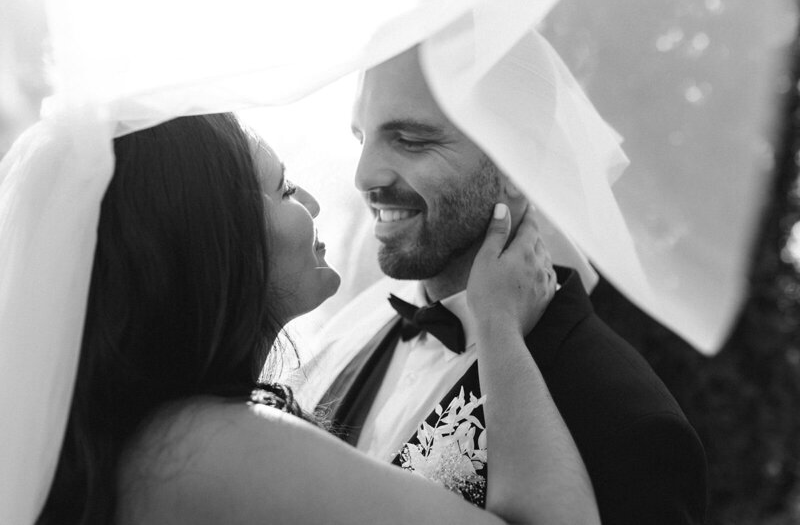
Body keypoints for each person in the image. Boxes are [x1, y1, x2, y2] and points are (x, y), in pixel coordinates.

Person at [35, 112, 601, 524]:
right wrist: (499, 326)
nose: (314, 199)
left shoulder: (150, 434)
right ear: (213, 244)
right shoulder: (206, 449)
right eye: (282, 189)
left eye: (411, 138)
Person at [296, 47, 709, 524]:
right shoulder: (357, 331)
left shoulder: (629, 425)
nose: (364, 175)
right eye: (362, 138)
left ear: (517, 163)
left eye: (410, 139)